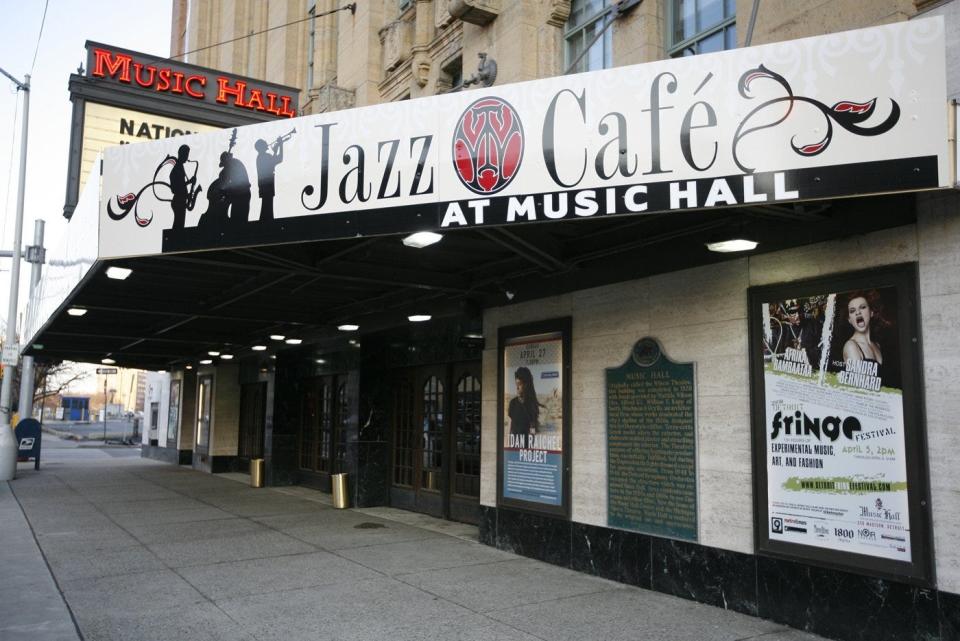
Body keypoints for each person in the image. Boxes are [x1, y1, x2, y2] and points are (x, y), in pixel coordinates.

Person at [842, 291, 883, 367]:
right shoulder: (851, 346)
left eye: (863, 307)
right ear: (849, 320)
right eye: (852, 311)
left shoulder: (877, 345)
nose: (858, 312)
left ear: (871, 312)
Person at [255, 138, 284, 221]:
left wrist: (275, 150)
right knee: (268, 205)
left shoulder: (260, 157)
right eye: (265, 143)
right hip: (267, 184)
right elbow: (279, 159)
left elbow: (272, 163)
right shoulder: (264, 156)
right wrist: (281, 145)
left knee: (266, 205)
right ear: (262, 147)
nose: (267, 143)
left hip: (265, 184)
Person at [508, 366, 543, 437]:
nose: (517, 388)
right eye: (516, 384)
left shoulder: (531, 404)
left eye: (519, 384)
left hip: (527, 444)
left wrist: (532, 438)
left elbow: (533, 426)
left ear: (526, 385)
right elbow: (510, 426)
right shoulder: (513, 403)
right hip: (514, 445)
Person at [168, 144, 195, 229]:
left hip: (181, 200)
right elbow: (175, 188)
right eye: (186, 154)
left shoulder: (180, 166)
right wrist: (189, 182)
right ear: (182, 154)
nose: (187, 157)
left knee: (179, 225)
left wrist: (187, 195)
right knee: (178, 226)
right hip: (178, 201)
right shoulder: (177, 168)